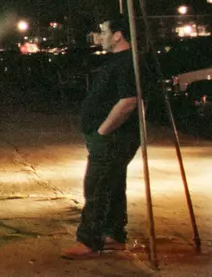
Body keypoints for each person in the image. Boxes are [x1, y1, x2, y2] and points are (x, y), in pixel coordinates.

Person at [62, 16, 141, 260]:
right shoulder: (118, 61)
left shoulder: (127, 62)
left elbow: (129, 101)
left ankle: (89, 240)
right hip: (111, 138)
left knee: (95, 187)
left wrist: (102, 131)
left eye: (104, 31)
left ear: (118, 35)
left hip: (114, 138)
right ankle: (114, 235)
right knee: (113, 185)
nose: (100, 35)